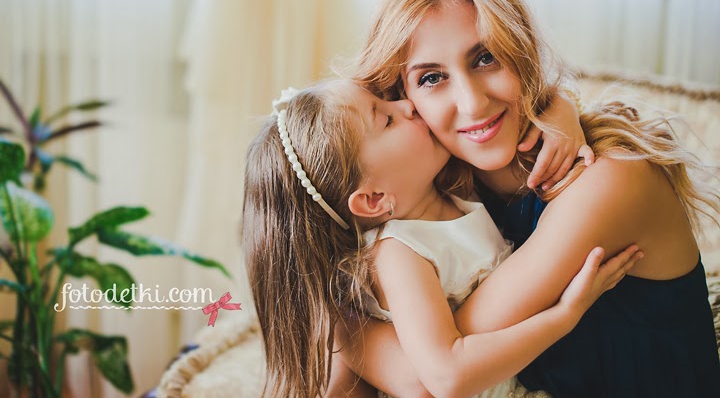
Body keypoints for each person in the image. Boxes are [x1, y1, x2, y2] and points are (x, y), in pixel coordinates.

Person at [332, 0, 720, 397]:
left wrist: (333, 324)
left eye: (485, 58)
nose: (473, 103)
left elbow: (432, 376)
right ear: (404, 101)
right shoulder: (444, 192)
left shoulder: (609, 180)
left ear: (521, 51)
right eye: (432, 78)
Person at [241, 80, 642, 398]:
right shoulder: (397, 254)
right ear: (374, 199)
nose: (407, 105)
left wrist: (562, 109)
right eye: (387, 119)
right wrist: (564, 316)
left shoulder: (452, 190)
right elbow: (447, 377)